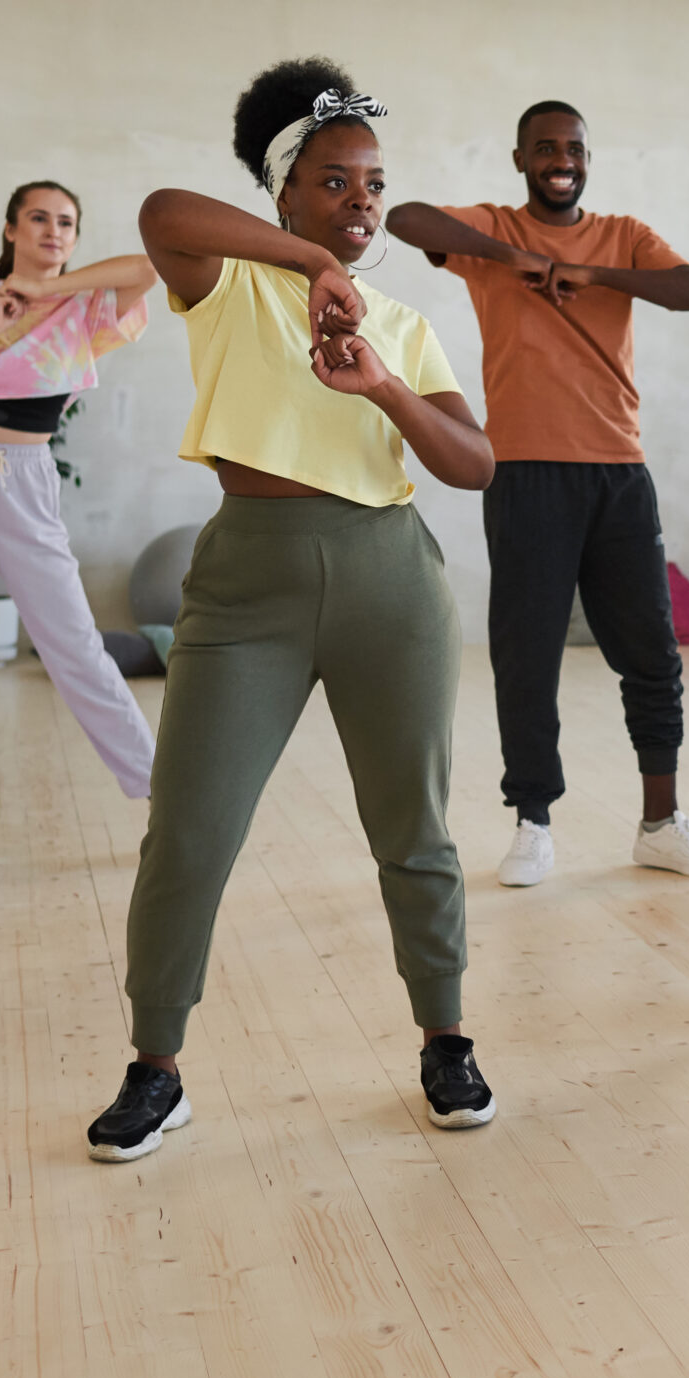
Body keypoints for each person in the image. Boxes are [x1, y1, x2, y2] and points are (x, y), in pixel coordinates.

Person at [84, 58, 498, 1164]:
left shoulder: (403, 324)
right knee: (190, 830)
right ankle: (155, 1065)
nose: (360, 201)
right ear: (284, 191)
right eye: (332, 181)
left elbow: (475, 463)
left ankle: (445, 1039)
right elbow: (161, 213)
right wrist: (312, 262)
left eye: (371, 183)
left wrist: (386, 388)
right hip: (245, 585)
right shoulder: (228, 282)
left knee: (414, 831)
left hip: (390, 579)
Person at [385, 103, 689, 890]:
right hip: (525, 472)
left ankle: (662, 822)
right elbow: (407, 217)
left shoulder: (623, 234)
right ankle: (532, 822)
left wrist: (592, 273)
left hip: (618, 469)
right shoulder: (491, 229)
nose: (561, 159)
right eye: (545, 148)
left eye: (573, 147)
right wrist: (512, 256)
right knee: (526, 655)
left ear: (586, 157)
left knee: (652, 653)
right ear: (520, 158)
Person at [0, 181, 159, 877]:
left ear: (75, 239)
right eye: (38, 217)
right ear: (11, 227)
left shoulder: (85, 309)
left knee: (75, 648)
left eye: (66, 222)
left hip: (25, 480)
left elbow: (150, 267)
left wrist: (51, 289)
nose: (52, 229)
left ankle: (165, 799)